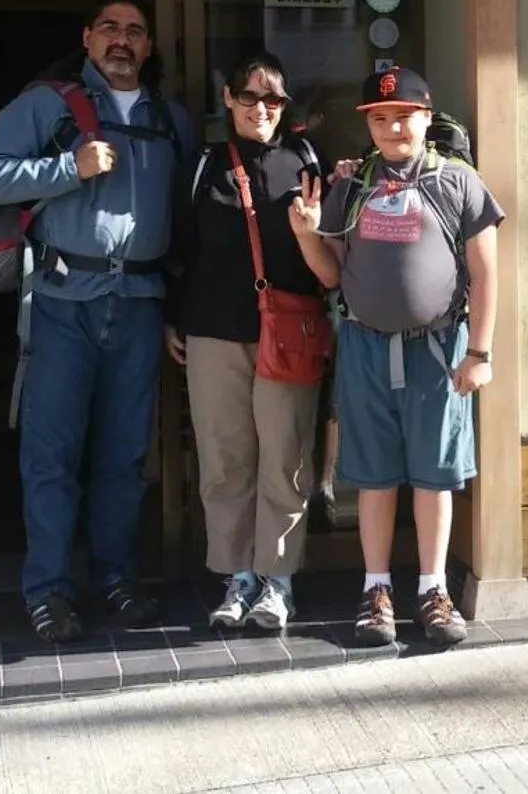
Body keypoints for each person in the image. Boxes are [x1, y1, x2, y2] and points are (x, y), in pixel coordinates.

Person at [0, 0, 195, 643]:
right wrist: (69, 166)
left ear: (149, 47)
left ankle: (116, 576)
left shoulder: (170, 120)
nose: (122, 40)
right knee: (51, 457)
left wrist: (180, 306)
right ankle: (48, 588)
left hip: (142, 306)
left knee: (124, 457)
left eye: (135, 31)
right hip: (63, 304)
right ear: (89, 38)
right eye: (110, 29)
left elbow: (183, 225)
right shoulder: (49, 103)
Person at [288, 66, 501, 646]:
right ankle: (375, 590)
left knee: (434, 475)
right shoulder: (351, 186)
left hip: (437, 349)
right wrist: (309, 235)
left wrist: (479, 352)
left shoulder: (457, 182)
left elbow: (486, 273)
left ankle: (433, 590)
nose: (392, 127)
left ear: (426, 119)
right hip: (363, 345)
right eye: (380, 119)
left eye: (403, 116)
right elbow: (332, 275)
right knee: (375, 476)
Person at [166, 52, 329, 632]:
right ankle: (236, 576)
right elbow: (178, 249)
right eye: (251, 97)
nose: (262, 109)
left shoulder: (305, 162)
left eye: (274, 100)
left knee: (284, 458)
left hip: (287, 332)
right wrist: (173, 317)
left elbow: (329, 257)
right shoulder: (201, 167)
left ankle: (277, 581)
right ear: (228, 100)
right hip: (212, 329)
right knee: (224, 458)